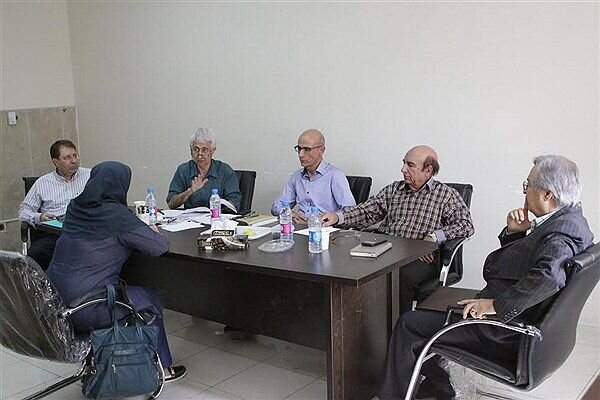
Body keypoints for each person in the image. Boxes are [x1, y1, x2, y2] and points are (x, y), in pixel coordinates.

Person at [378, 155, 594, 400]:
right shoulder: (570, 221)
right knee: (431, 312)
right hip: (519, 321)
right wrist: (514, 233)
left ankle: (393, 396)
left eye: (528, 184)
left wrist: (494, 306)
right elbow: (529, 263)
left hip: (502, 332)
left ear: (547, 194)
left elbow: (548, 277)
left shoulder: (562, 232)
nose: (524, 191)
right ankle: (439, 387)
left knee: (409, 323)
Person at [46, 161, 186, 382]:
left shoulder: (75, 207)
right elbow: (158, 247)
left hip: (54, 302)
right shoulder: (117, 215)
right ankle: (163, 369)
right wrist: (150, 230)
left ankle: (97, 360)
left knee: (125, 289)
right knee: (150, 297)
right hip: (86, 306)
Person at [322, 145, 474, 315]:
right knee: (351, 265)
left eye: (410, 165)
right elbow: (367, 211)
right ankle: (358, 323)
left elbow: (465, 225)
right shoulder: (394, 189)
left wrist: (434, 237)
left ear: (428, 170)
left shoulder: (446, 195)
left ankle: (397, 326)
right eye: (404, 163)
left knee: (398, 278)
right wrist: (337, 217)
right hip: (386, 249)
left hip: (419, 257)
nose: (403, 169)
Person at [18, 140, 90, 269]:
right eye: (67, 158)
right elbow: (24, 211)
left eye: (75, 156)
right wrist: (39, 217)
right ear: (56, 162)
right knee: (35, 255)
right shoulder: (42, 183)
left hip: (85, 230)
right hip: (55, 234)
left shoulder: (90, 175)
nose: (73, 161)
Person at [271, 129, 355, 223]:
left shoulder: (335, 176)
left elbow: (350, 212)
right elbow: (277, 205)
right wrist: (288, 213)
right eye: (299, 149)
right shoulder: (296, 177)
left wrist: (326, 220)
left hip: (324, 228)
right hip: (299, 227)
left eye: (307, 149)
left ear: (321, 150)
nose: (301, 154)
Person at [167, 128, 241, 212]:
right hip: (191, 219)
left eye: (204, 150)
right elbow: (171, 204)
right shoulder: (183, 170)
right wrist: (189, 191)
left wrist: (219, 211)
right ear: (191, 151)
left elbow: (235, 202)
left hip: (217, 217)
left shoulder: (225, 170)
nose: (200, 154)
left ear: (212, 151)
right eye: (196, 149)